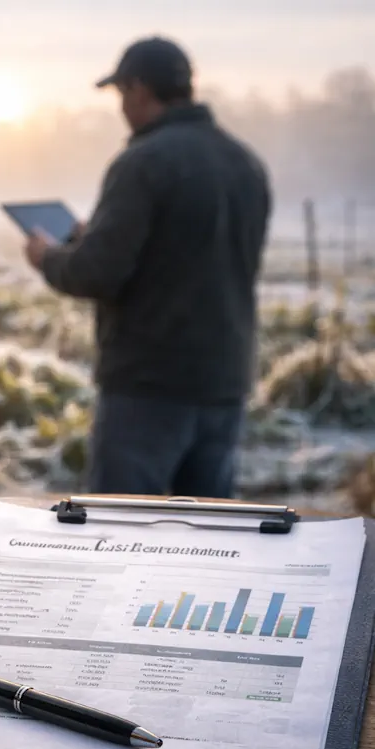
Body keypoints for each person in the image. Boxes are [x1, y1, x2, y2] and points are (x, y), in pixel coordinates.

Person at [23, 36, 271, 499]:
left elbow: (97, 272)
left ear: (139, 88)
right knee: (210, 534)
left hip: (149, 387)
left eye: (121, 94)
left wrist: (48, 257)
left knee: (123, 533)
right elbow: (192, 256)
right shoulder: (245, 164)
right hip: (224, 383)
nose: (120, 108)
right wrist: (89, 237)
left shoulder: (142, 163)